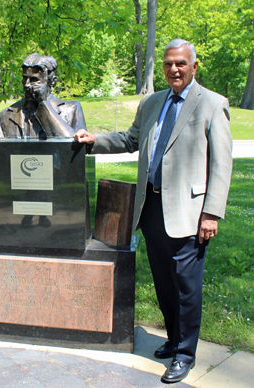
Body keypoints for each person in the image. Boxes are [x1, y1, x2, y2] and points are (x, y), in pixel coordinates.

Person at [74, 39, 232, 384]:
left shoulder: (213, 105)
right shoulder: (152, 103)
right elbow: (130, 139)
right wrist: (93, 141)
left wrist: (211, 214)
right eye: (168, 64)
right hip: (151, 208)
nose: (174, 69)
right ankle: (174, 339)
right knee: (163, 280)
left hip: (190, 212)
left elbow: (222, 164)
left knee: (186, 285)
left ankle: (185, 354)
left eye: (180, 63)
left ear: (193, 65)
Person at [0, 53, 87, 139]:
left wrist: (43, 104)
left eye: (34, 80)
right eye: (24, 78)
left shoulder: (71, 110)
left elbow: (70, 144)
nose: (27, 84)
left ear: (52, 82)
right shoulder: (5, 115)